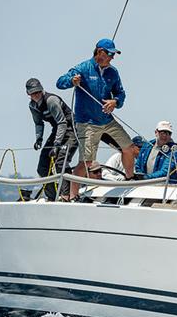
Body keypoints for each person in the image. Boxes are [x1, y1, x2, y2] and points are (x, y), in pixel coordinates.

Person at [56, 38, 137, 199]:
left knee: (129, 148)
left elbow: (121, 94)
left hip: (107, 120)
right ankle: (72, 196)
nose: (112, 58)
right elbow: (59, 82)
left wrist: (115, 102)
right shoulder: (83, 68)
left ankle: (130, 179)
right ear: (100, 52)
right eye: (110, 54)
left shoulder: (113, 72)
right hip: (87, 123)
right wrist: (72, 81)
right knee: (86, 162)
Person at [25, 78, 78, 201]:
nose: (36, 95)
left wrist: (56, 145)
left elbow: (62, 122)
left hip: (72, 129)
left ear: (42, 89)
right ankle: (52, 197)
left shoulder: (51, 100)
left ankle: (66, 196)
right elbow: (38, 123)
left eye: (38, 92)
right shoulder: (32, 106)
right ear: (28, 94)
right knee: (42, 166)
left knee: (61, 161)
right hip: (57, 130)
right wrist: (39, 139)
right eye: (33, 93)